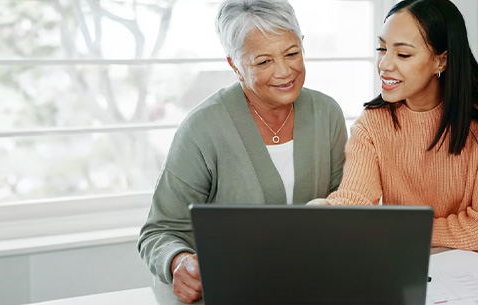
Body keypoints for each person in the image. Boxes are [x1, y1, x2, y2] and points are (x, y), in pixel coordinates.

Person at [137, 0, 347, 302]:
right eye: (263, 62)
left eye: (292, 53)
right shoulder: (202, 128)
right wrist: (179, 262)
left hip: (313, 286)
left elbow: (347, 205)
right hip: (233, 293)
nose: (285, 71)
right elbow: (158, 231)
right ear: (235, 65)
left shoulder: (327, 113)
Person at [309, 0, 478, 252]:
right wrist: (330, 212)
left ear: (441, 61)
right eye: (382, 48)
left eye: (403, 54)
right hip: (405, 259)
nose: (384, 64)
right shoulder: (373, 122)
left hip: (477, 267)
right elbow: (355, 201)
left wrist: (393, 228)